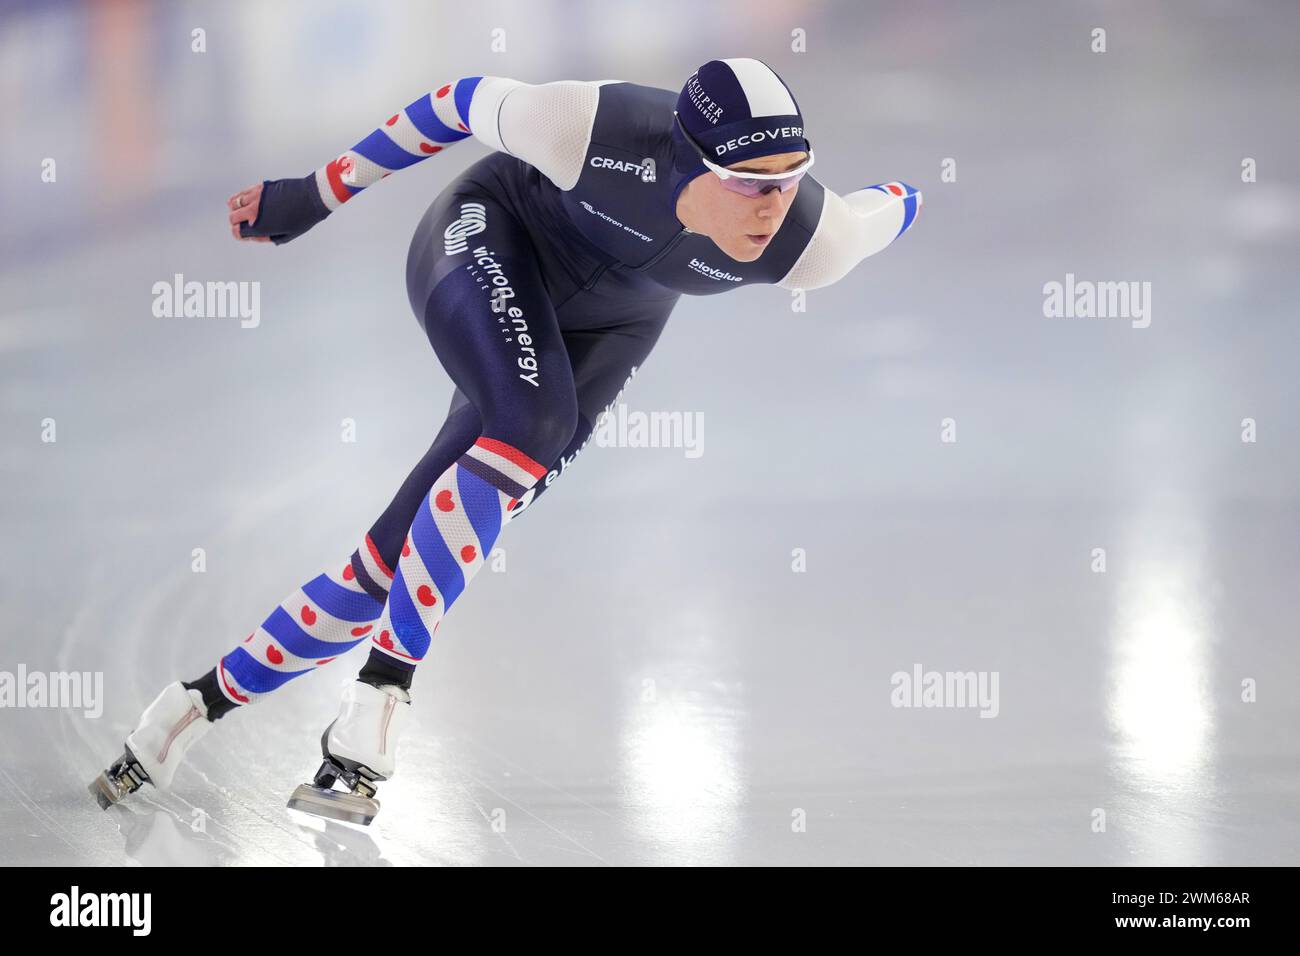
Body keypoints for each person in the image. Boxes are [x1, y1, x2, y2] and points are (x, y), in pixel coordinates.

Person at [90, 58, 922, 823]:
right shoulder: (591, 130)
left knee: (393, 567)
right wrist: (315, 192)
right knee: (533, 423)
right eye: (747, 183)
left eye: (790, 179)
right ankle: (380, 697)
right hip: (493, 237)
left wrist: (912, 195)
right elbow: (455, 103)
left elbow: (875, 212)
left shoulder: (813, 243)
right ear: (684, 160)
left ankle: (189, 708)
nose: (773, 205)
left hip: (614, 328)